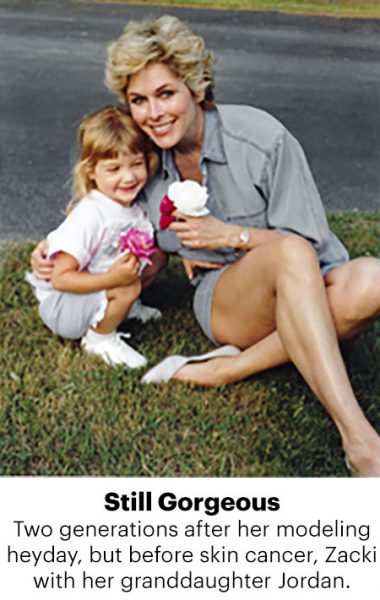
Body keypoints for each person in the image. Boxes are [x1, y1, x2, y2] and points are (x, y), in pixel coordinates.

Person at [32, 16, 380, 475]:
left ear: (196, 87)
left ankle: (226, 369)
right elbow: (108, 212)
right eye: (139, 100)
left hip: (312, 275)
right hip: (233, 302)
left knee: (371, 278)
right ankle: (361, 443)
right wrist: (55, 247)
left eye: (165, 94)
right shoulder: (149, 164)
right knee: (289, 254)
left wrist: (232, 236)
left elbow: (311, 245)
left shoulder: (261, 138)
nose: (153, 113)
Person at [27, 105, 165, 367]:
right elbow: (61, 278)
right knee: (128, 284)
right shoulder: (92, 215)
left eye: (136, 164)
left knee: (156, 257)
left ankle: (124, 308)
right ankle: (99, 338)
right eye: (113, 169)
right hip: (65, 307)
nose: (128, 177)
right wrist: (112, 279)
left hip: (97, 290)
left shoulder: (133, 205)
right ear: (91, 171)